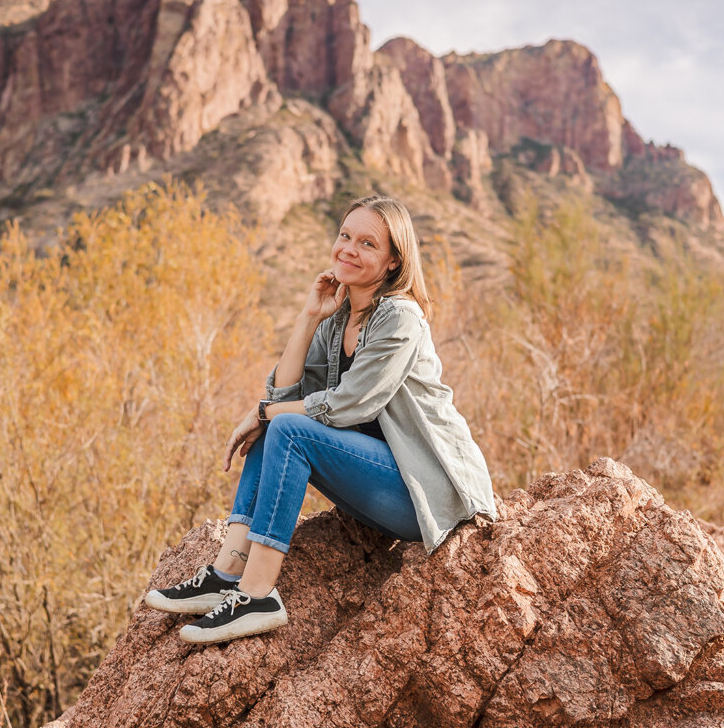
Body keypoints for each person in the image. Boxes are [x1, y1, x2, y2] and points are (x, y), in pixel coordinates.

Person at [145, 194, 497, 644]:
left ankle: (257, 596)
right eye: (345, 236)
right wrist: (309, 317)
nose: (348, 249)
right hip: (378, 483)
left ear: (393, 262)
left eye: (367, 243)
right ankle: (228, 572)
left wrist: (263, 412)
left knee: (283, 425)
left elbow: (351, 405)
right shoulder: (339, 318)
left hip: (426, 493)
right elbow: (287, 395)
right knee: (278, 423)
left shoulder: (401, 318)